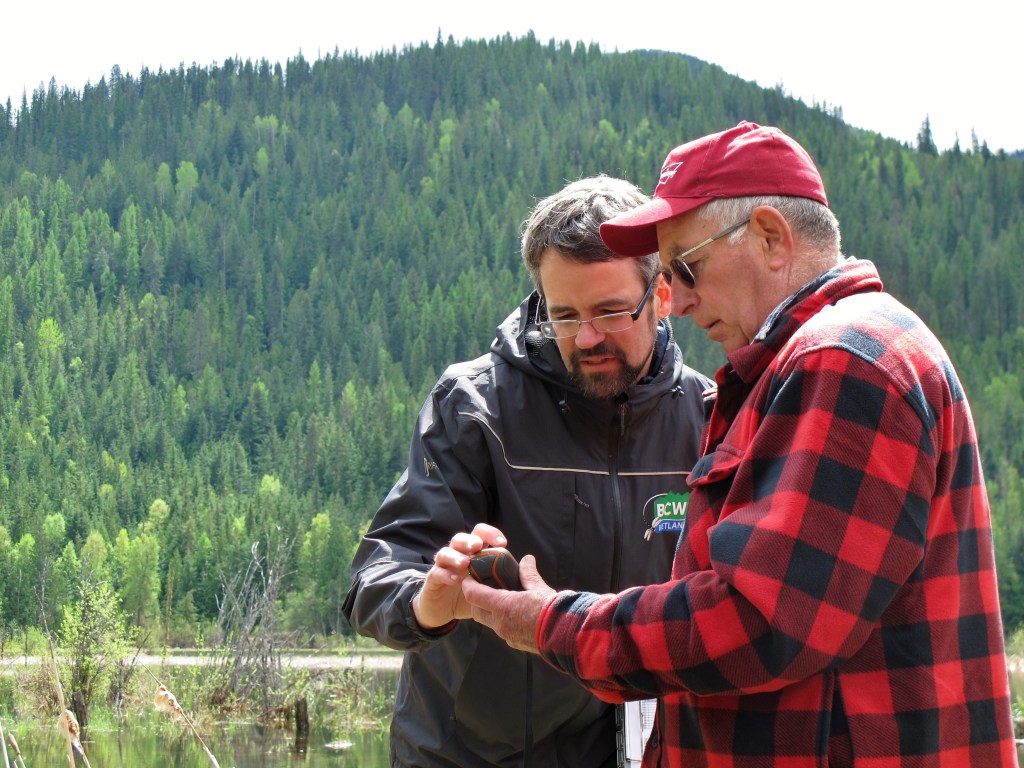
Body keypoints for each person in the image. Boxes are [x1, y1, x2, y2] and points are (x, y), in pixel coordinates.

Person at [462, 122, 1020, 767]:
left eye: (687, 267)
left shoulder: (844, 359)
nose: (680, 300)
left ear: (770, 237)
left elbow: (761, 622)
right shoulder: (817, 358)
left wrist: (550, 623)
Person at [342, 175, 712, 768]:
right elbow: (375, 578)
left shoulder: (708, 418)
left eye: (610, 311)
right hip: (464, 755)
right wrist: (429, 603)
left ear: (662, 295)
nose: (587, 337)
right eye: (564, 315)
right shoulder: (474, 407)